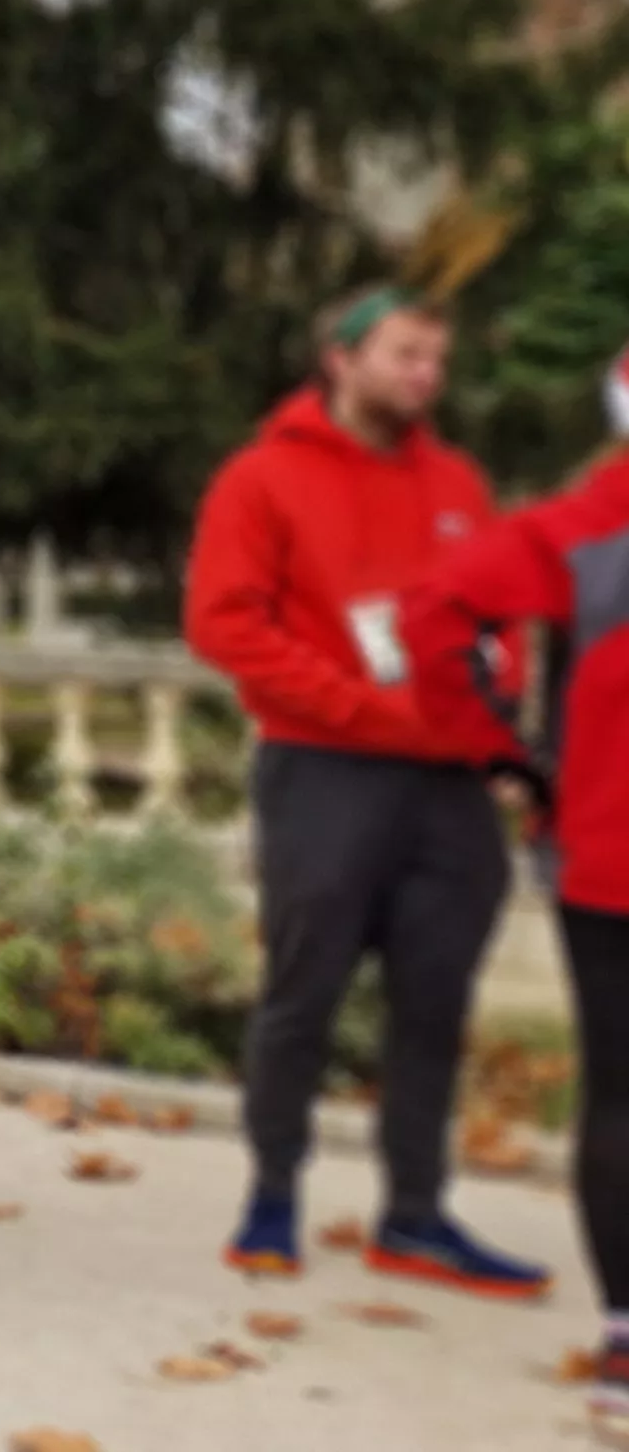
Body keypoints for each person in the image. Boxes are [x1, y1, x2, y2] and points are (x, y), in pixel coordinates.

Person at [186, 287, 546, 1297]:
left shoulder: (457, 481)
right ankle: (269, 1199)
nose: (424, 377)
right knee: (304, 993)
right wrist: (353, 704)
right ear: (341, 360)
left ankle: (416, 1215)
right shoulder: (263, 477)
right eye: (404, 356)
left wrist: (496, 684)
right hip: (324, 769)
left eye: (435, 359)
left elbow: (500, 606)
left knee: (434, 1004)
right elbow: (225, 624)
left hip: (448, 786)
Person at [406, 343, 629, 1433]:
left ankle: (627, 1335)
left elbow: (434, 613)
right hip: (603, 848)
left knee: (619, 1091)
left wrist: (501, 751)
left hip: (601, 849)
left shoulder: (578, 528)